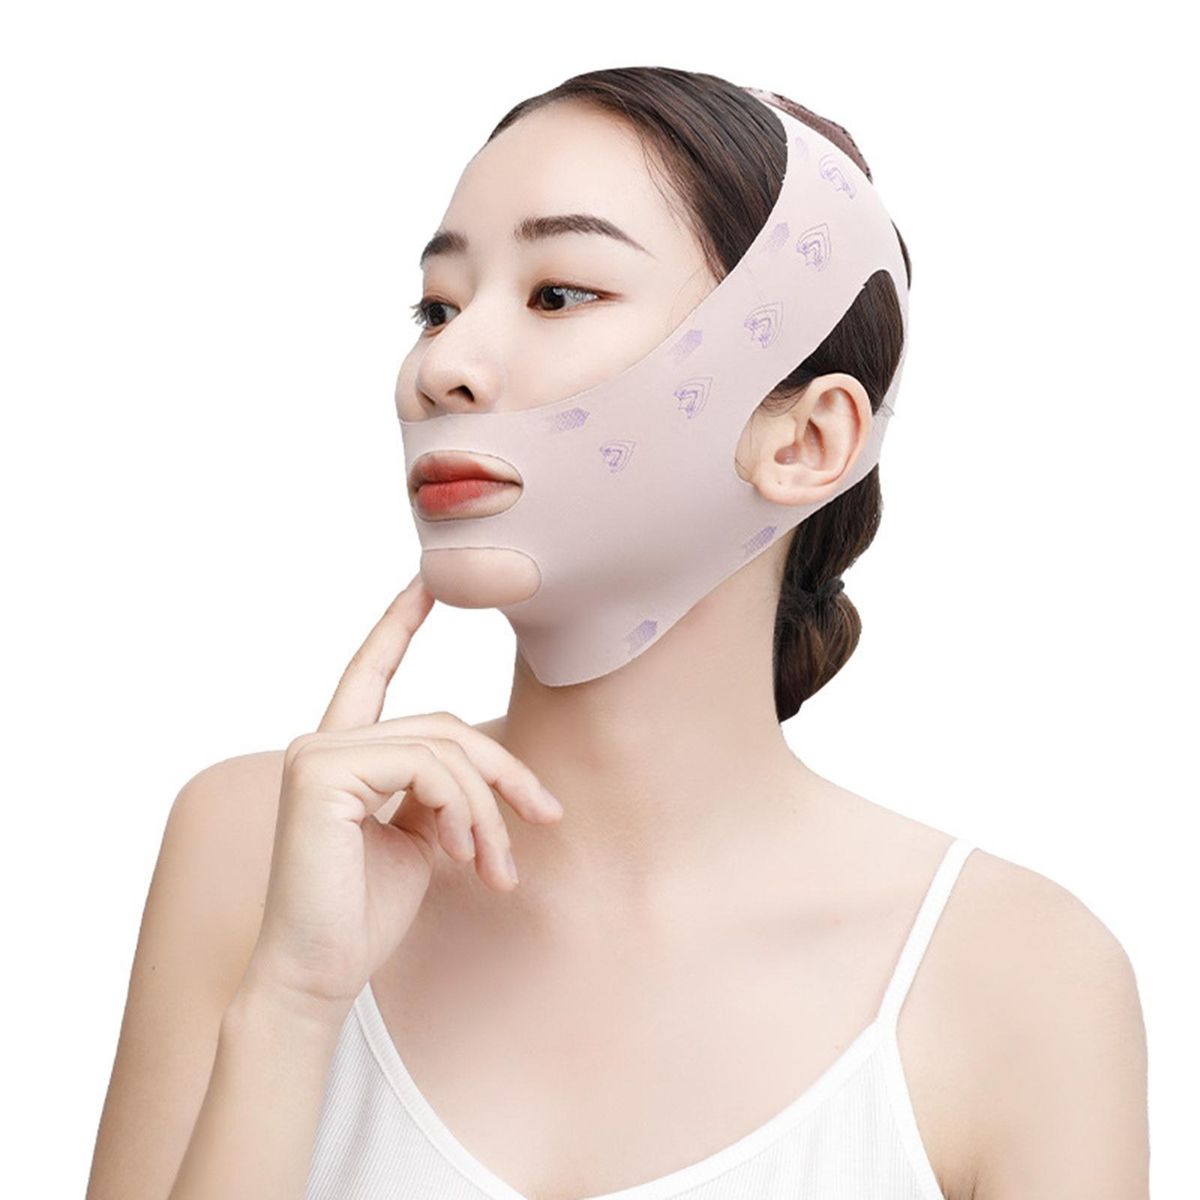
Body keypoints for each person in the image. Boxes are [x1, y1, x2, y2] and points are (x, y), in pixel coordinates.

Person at [86, 67, 1149, 1200]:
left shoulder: (1020, 978)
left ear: (807, 442)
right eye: (438, 308)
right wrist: (293, 1005)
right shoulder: (257, 849)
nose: (440, 369)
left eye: (558, 294)